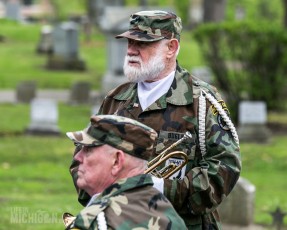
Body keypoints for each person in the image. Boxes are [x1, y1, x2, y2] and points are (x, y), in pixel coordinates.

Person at [70, 10, 241, 229]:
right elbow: (80, 160)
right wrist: (101, 187)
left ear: (171, 48)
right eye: (130, 42)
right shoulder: (116, 99)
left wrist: (160, 188)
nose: (131, 50)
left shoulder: (202, 101)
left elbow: (225, 167)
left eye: (142, 44)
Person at [65, 114, 187, 229]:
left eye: (88, 150)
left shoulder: (95, 221)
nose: (77, 157)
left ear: (117, 161)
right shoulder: (173, 219)